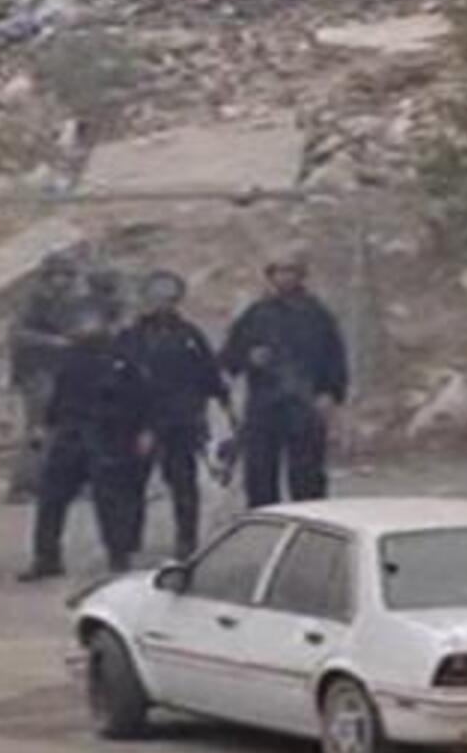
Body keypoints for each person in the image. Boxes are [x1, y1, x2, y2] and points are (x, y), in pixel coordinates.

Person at [18, 306, 154, 581]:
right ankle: (46, 558)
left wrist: (144, 431)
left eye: (91, 322)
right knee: (51, 500)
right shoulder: (70, 359)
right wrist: (43, 427)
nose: (85, 328)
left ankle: (118, 557)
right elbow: (58, 397)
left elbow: (142, 399)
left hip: (107, 437)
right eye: (82, 323)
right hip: (70, 435)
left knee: (110, 502)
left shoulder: (123, 359)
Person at [219, 249, 349, 508]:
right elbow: (228, 358)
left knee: (307, 479)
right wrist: (249, 357)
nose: (285, 277)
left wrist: (330, 395)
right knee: (260, 477)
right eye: (280, 271)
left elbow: (335, 357)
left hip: (305, 405)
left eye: (291, 271)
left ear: (301, 276)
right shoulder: (255, 314)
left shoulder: (317, 314)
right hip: (264, 405)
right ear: (271, 276)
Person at [118, 269, 233, 560]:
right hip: (137, 423)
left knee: (183, 483)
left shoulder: (189, 336)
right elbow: (116, 381)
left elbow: (209, 374)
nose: (162, 303)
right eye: (156, 297)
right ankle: (126, 541)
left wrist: (224, 405)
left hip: (180, 422)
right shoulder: (131, 337)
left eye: (168, 298)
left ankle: (186, 539)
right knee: (132, 484)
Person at [7, 253, 83, 503]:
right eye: (57, 276)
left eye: (66, 276)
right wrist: (54, 342)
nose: (61, 282)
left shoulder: (74, 301)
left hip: (66, 371)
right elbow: (18, 333)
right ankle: (25, 486)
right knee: (38, 430)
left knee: (70, 428)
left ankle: (65, 482)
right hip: (37, 370)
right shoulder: (34, 300)